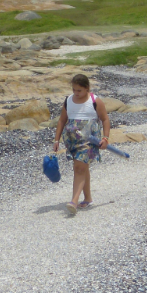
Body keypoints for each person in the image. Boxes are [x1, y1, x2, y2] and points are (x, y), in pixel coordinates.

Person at [53, 74, 111, 215]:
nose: (76, 93)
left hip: (90, 140)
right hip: (72, 140)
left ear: (87, 89)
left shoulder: (95, 101)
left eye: (79, 90)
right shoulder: (68, 101)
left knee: (79, 167)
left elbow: (105, 120)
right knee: (82, 167)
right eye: (74, 90)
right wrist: (56, 140)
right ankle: (88, 198)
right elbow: (61, 121)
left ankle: (74, 200)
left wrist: (105, 138)